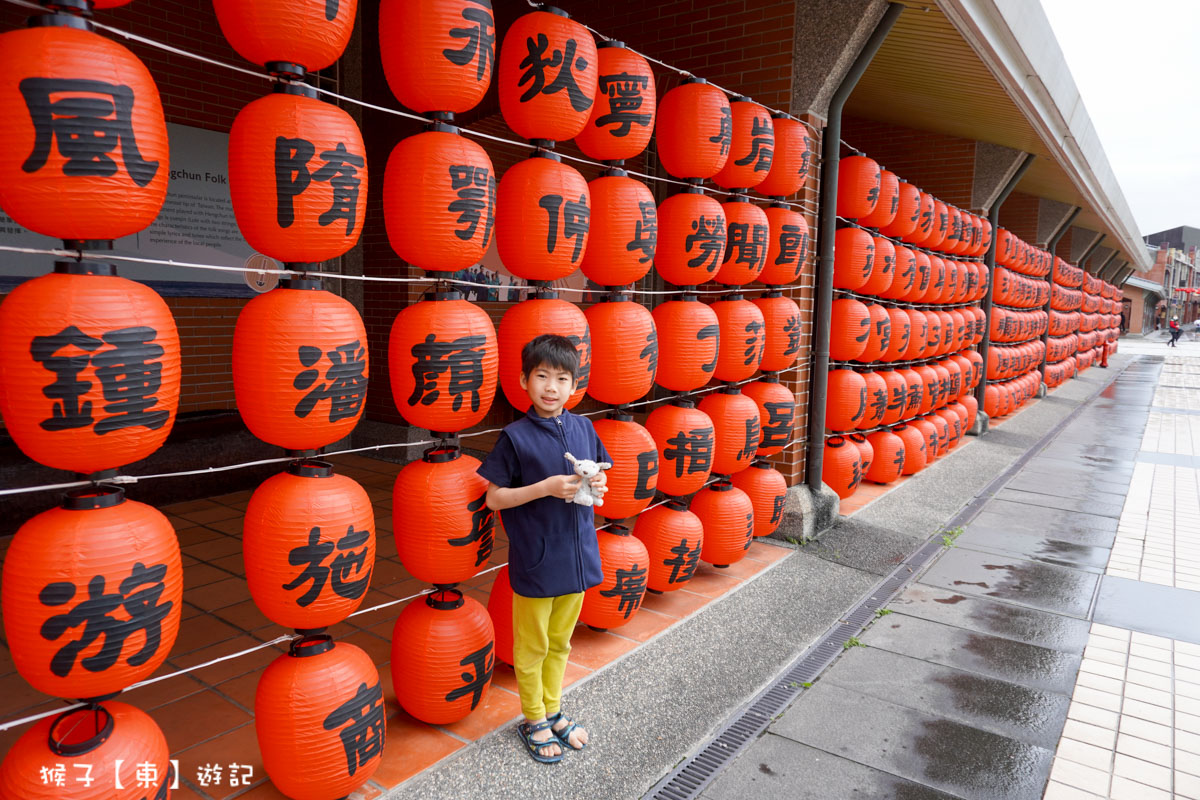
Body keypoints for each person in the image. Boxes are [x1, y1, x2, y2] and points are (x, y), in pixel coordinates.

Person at [477, 334, 610, 764]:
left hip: (578, 558)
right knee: (532, 647)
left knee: (561, 643)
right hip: (536, 558)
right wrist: (546, 489)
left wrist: (601, 483)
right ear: (524, 380)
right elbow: (495, 499)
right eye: (542, 376)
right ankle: (533, 717)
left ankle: (553, 710)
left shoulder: (585, 428)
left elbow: (601, 475)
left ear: (575, 385)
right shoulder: (514, 437)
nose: (551, 387)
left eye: (561, 378)